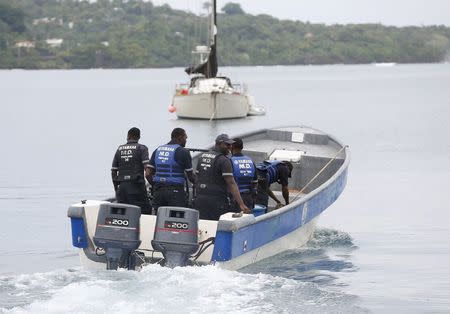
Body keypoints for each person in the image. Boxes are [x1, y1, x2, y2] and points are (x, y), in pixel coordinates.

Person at [194, 134, 251, 220]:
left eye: (230, 145)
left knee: (202, 224)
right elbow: (231, 183)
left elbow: (196, 178)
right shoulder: (224, 160)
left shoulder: (202, 157)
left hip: (200, 198)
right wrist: (241, 204)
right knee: (216, 225)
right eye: (227, 145)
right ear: (219, 144)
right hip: (217, 201)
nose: (230, 147)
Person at [149, 128, 196, 212]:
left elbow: (148, 174)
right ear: (180, 137)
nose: (186, 140)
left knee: (159, 217)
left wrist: (155, 186)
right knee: (176, 218)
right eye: (185, 138)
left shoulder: (157, 150)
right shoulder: (183, 152)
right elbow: (191, 177)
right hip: (175, 191)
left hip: (158, 191)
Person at [111, 127, 152, 214]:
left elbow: (114, 171)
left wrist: (116, 189)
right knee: (145, 211)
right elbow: (147, 170)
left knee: (123, 213)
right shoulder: (142, 148)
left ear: (128, 136)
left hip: (122, 187)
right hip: (136, 187)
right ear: (139, 137)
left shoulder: (120, 149)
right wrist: (153, 184)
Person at [230, 138, 258, 210]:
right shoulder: (250, 161)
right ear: (242, 147)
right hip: (248, 198)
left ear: (231, 147)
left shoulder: (230, 161)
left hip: (234, 199)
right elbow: (255, 182)